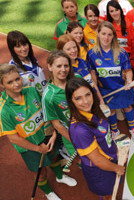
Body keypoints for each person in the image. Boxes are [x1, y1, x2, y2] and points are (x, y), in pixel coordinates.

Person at [0, 63, 76, 200]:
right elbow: (13, 138)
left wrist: (53, 134)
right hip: (29, 148)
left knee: (54, 157)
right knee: (40, 173)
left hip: (47, 136)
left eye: (17, 79)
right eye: (10, 82)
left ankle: (60, 176)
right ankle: (48, 192)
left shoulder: (31, 91)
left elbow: (46, 113)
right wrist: (37, 148)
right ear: (2, 85)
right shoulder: (4, 110)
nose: (16, 84)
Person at [66, 77, 125, 198]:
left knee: (114, 188)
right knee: (109, 194)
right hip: (101, 170)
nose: (86, 101)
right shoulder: (79, 130)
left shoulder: (95, 111)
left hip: (109, 160)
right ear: (71, 101)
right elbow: (97, 160)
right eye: (78, 98)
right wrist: (117, 168)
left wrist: (116, 151)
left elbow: (105, 135)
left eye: (87, 95)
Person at [87, 21, 134, 142]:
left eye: (109, 34)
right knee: (110, 110)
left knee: (127, 107)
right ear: (98, 34)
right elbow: (93, 76)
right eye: (103, 33)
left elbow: (128, 71)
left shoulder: (121, 53)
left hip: (122, 87)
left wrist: (129, 81)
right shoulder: (92, 54)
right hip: (106, 90)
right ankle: (115, 131)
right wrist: (97, 94)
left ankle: (132, 129)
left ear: (113, 36)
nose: (106, 37)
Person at [42, 50, 77, 163]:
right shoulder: (48, 96)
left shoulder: (76, 81)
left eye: (66, 65)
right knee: (85, 165)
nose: (63, 69)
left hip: (88, 128)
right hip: (73, 137)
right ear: (50, 67)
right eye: (59, 66)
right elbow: (56, 124)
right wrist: (73, 140)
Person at [56, 34, 104, 103]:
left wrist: (100, 99)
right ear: (61, 51)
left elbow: (91, 82)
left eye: (74, 47)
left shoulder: (82, 62)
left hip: (93, 99)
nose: (73, 51)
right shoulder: (64, 70)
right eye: (68, 49)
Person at [7, 30, 48, 95]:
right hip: (33, 103)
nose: (23, 49)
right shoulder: (12, 68)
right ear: (12, 49)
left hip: (46, 98)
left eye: (24, 44)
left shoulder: (32, 58)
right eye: (18, 46)